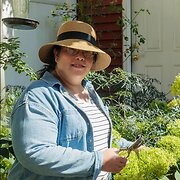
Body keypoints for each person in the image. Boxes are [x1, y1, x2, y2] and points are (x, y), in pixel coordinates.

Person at [8, 20, 133, 180]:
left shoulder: (90, 92)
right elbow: (35, 152)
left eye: (88, 52)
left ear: (93, 60)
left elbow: (95, 137)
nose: (81, 57)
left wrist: (128, 146)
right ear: (56, 54)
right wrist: (98, 161)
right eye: (72, 50)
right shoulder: (39, 96)